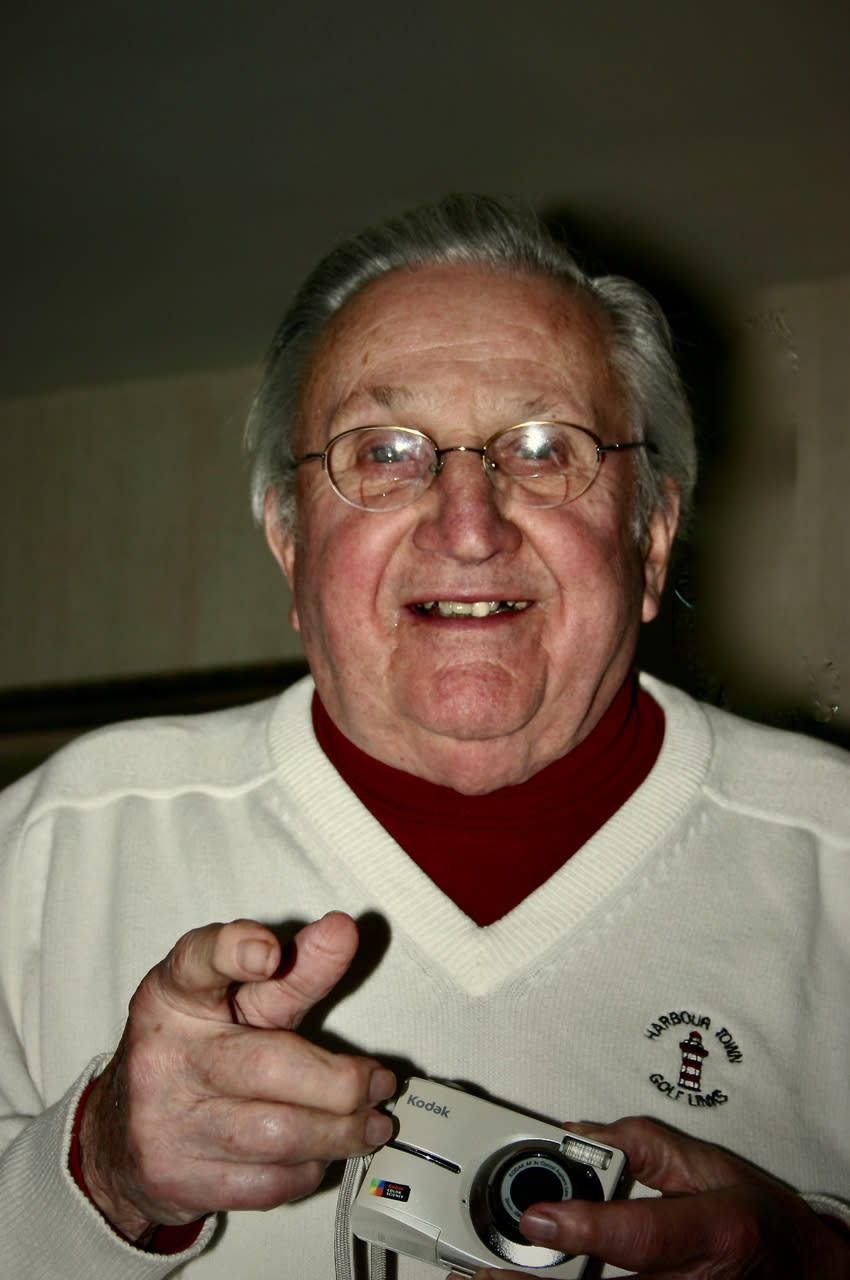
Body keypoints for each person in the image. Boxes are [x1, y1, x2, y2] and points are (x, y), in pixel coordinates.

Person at [0, 194, 847, 1280]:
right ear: (288, 542)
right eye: (385, 450)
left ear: (650, 539)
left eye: (544, 447)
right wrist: (100, 1175)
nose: (467, 519)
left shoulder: (835, 856)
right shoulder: (54, 848)